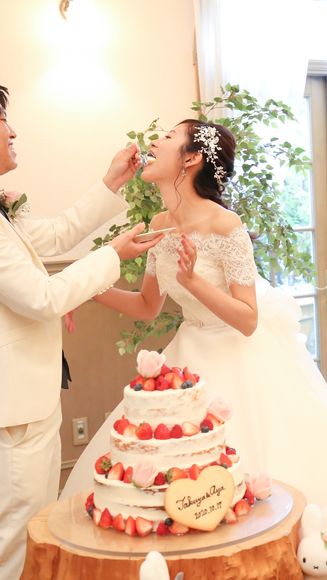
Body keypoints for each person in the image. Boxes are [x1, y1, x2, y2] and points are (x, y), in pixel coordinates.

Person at [63, 119, 327, 579]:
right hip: (188, 361)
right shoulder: (160, 225)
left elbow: (247, 318)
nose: (153, 142)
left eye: (167, 138)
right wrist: (84, 291)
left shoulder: (226, 225)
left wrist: (193, 281)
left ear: (191, 158)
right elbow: (146, 305)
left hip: (240, 357)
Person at [0, 85, 163, 580]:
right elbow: (42, 297)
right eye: (3, 121)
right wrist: (114, 254)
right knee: (16, 539)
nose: (12, 131)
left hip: (31, 402)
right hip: (14, 412)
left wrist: (111, 182)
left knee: (31, 527)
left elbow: (52, 236)